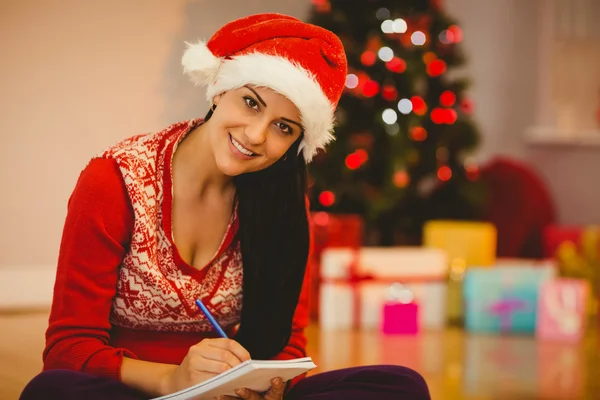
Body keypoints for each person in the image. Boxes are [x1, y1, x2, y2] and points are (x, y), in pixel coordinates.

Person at [20, 13, 430, 400]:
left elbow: (287, 343)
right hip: (137, 389)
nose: (255, 135)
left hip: (229, 392)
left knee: (401, 385)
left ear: (294, 144)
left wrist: (265, 386)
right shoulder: (113, 181)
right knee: (51, 391)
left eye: (283, 128)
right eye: (252, 103)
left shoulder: (282, 201)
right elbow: (67, 349)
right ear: (219, 90)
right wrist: (171, 378)